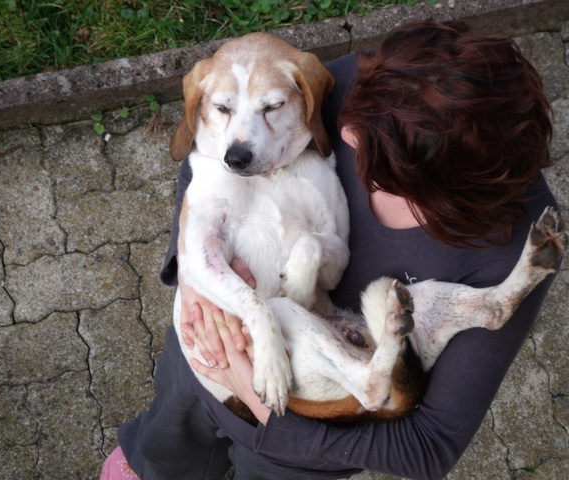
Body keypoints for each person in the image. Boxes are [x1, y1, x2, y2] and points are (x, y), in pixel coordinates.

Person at [102, 20, 560, 480]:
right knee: (164, 443)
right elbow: (212, 159)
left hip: (301, 443)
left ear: (439, 189)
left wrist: (252, 393)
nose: (344, 134)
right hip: (204, 347)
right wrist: (194, 277)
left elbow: (427, 449)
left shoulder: (510, 245)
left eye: (374, 152)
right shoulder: (360, 88)